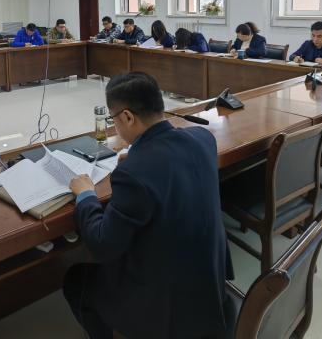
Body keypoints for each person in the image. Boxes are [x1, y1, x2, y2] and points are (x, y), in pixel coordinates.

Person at [65, 72, 232, 339]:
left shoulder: (133, 174)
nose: (115, 126)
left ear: (128, 117)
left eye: (113, 119)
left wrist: (86, 195)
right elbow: (169, 166)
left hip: (165, 308)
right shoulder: (203, 138)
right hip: (209, 281)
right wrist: (137, 158)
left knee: (75, 280)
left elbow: (102, 244)